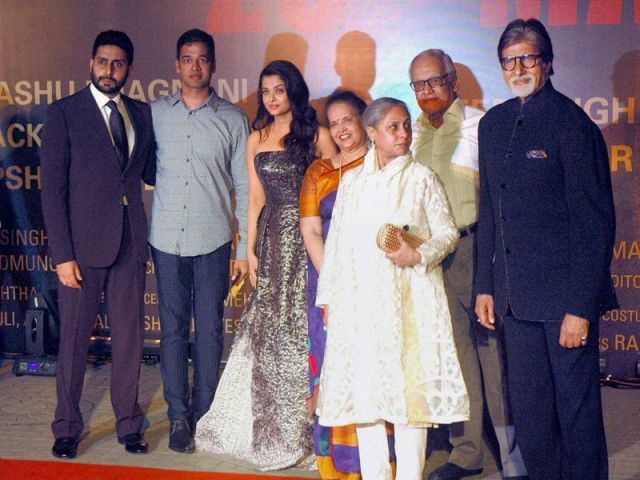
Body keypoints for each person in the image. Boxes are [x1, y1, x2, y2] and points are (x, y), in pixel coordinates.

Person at [474, 19, 616, 480]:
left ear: (547, 62)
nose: (518, 68)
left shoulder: (572, 126)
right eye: (509, 60)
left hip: (564, 304)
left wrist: (580, 307)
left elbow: (595, 225)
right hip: (514, 303)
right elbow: (488, 213)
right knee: (532, 414)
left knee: (576, 414)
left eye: (527, 57)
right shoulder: (493, 125)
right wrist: (484, 287)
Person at [316, 97, 469, 480]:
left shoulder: (420, 178)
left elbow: (447, 233)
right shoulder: (352, 182)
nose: (403, 134)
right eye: (393, 127)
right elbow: (336, 245)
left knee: (408, 397)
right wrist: (330, 298)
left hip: (409, 303)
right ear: (372, 133)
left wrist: (416, 256)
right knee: (366, 394)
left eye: (405, 126)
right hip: (360, 304)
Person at [195, 60, 336, 470]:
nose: (273, 99)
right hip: (273, 240)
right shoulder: (256, 138)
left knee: (307, 325)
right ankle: (271, 426)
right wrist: (251, 249)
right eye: (266, 92)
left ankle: (314, 431)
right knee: (272, 331)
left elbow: (336, 192)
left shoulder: (318, 135)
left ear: (293, 90)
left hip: (312, 240)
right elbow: (255, 200)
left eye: (279, 90)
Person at [409, 50, 527, 480]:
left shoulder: (484, 125)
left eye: (434, 81)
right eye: (418, 85)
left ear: (453, 80)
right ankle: (467, 452)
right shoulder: (410, 135)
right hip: (430, 257)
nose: (427, 92)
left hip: (477, 250)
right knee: (454, 359)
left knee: (492, 355)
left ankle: (515, 457)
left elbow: (503, 196)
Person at [41, 30, 156, 459]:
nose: (111, 70)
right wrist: (63, 256)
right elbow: (51, 192)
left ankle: (129, 424)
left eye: (119, 63)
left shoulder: (140, 114)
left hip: (129, 242)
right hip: (81, 250)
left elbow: (150, 173)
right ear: (91, 63)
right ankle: (67, 427)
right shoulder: (64, 113)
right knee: (73, 340)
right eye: (104, 62)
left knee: (129, 339)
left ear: (129, 68)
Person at [149, 29, 249, 454]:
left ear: (213, 65)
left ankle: (205, 414)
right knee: (172, 332)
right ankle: (177, 417)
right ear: (176, 64)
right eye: (187, 58)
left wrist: (243, 249)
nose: (194, 66)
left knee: (208, 331)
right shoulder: (154, 114)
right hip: (167, 239)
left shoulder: (232, 119)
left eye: (202, 59)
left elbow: (244, 188)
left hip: (213, 240)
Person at [301, 91, 394, 478]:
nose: (340, 129)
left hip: (375, 285)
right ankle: (335, 466)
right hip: (327, 286)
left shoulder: (385, 167)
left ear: (365, 124)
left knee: (374, 369)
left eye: (348, 121)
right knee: (331, 368)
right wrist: (334, 284)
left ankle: (379, 465)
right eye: (333, 122)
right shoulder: (319, 172)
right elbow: (310, 229)